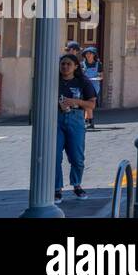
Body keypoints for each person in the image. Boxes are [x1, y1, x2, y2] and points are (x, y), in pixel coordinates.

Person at [56, 53, 96, 201]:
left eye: (68, 64)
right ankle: (57, 188)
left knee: (77, 157)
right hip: (57, 120)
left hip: (76, 119)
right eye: (63, 64)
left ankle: (77, 185)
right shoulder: (54, 81)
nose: (65, 67)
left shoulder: (82, 82)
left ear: (76, 66)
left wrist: (75, 101)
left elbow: (91, 104)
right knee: (55, 156)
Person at [79, 47, 102, 130]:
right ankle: (89, 121)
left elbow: (101, 76)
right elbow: (80, 75)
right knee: (87, 104)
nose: (88, 55)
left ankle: (89, 121)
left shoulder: (98, 64)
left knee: (89, 103)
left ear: (94, 55)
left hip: (94, 86)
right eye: (87, 53)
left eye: (90, 53)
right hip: (85, 85)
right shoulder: (82, 64)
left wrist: (96, 77)